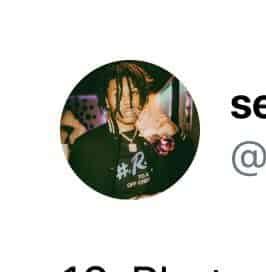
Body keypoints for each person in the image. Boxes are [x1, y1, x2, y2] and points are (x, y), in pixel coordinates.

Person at [67, 63, 195, 198]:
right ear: (107, 101)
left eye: (134, 92)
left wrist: (176, 133)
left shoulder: (155, 135)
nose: (128, 101)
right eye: (118, 94)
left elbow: (183, 168)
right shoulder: (85, 146)